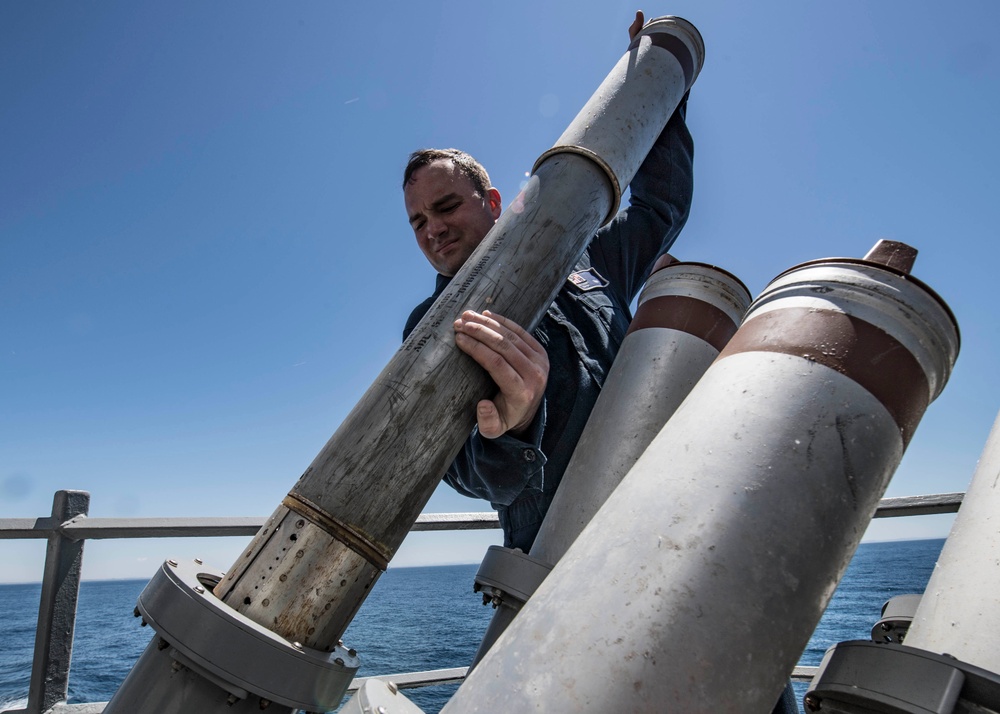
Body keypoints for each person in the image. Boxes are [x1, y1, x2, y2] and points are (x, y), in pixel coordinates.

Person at [403, 12, 692, 552]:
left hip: (660, 508)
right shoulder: (427, 328)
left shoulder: (588, 257)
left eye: (444, 207)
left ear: (491, 203)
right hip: (551, 552)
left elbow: (661, 206)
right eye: (418, 221)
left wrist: (660, 93)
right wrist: (510, 426)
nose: (432, 229)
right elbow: (453, 468)